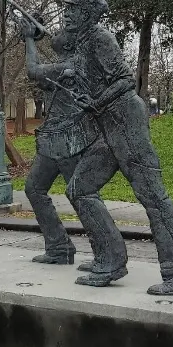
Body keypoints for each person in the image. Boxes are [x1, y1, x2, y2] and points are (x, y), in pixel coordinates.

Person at [48, 0, 173, 296]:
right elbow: (68, 53)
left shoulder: (100, 38)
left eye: (72, 9)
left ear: (86, 13)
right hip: (107, 125)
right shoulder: (83, 41)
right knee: (79, 188)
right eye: (66, 8)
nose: (66, 14)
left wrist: (96, 101)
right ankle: (110, 260)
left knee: (151, 195)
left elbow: (125, 81)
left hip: (125, 121)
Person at [19, 25, 118, 266]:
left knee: (81, 195)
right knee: (34, 188)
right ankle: (59, 247)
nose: (55, 34)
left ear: (69, 43)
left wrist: (29, 39)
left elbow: (33, 70)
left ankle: (108, 254)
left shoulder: (71, 65)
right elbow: (41, 77)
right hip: (54, 140)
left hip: (69, 140)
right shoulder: (62, 67)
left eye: (61, 33)